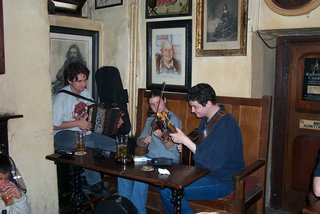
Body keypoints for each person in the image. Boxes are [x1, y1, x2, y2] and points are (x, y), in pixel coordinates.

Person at [158, 83, 245, 213]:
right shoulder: (207, 120)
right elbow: (203, 150)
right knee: (164, 185)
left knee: (171, 191)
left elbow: (213, 162)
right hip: (203, 173)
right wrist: (185, 148)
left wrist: (186, 141)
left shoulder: (226, 124)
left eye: (195, 106)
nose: (192, 110)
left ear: (208, 103)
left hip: (223, 179)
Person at [52, 62, 122, 198]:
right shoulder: (61, 97)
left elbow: (95, 113)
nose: (83, 84)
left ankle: (116, 180)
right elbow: (54, 124)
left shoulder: (86, 93)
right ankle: (94, 183)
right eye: (79, 81)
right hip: (62, 135)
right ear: (69, 81)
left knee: (116, 146)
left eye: (85, 80)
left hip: (85, 133)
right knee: (88, 144)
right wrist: (77, 123)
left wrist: (114, 121)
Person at [117, 89, 182, 214]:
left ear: (165, 100)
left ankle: (138, 211)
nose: (155, 107)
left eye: (158, 103)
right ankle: (124, 210)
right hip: (150, 159)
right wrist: (144, 140)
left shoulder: (173, 120)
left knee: (141, 177)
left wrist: (162, 137)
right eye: (152, 104)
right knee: (124, 173)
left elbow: (172, 147)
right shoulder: (151, 119)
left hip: (168, 160)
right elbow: (138, 141)